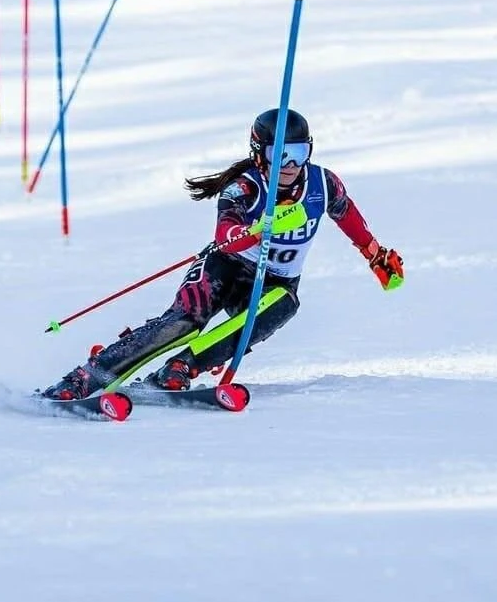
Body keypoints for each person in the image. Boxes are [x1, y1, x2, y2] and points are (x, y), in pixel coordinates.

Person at [42, 108, 404, 400]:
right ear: (259, 154)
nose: (291, 165)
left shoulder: (322, 184)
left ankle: (182, 367)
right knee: (185, 321)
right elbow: (225, 237)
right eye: (280, 155)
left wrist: (375, 255)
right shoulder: (244, 187)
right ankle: (89, 375)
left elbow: (347, 216)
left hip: (272, 282)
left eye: (299, 153)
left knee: (283, 304)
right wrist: (259, 228)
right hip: (225, 268)